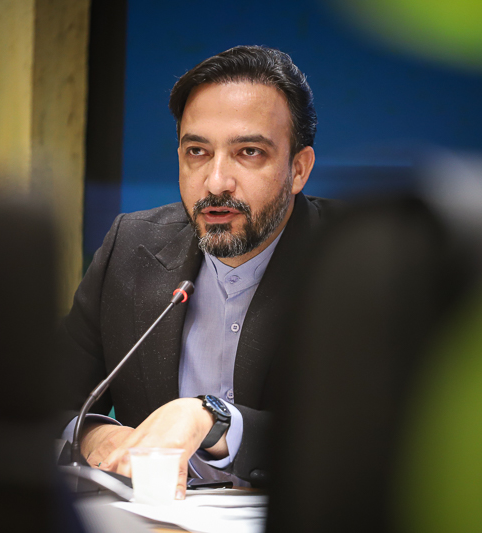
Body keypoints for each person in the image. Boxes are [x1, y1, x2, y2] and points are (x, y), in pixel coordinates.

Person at [59, 45, 334, 497]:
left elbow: (374, 435)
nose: (215, 182)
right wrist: (93, 434)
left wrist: (213, 420)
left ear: (299, 169)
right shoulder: (130, 247)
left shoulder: (355, 261)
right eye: (197, 151)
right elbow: (42, 403)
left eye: (248, 152)